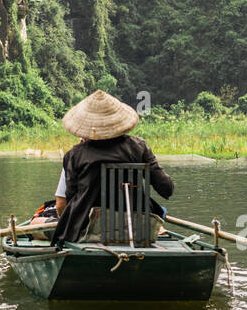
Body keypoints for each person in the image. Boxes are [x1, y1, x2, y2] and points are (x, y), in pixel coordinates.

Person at [50, 90, 174, 246]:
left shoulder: (74, 155)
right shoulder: (139, 148)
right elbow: (166, 189)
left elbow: (70, 197)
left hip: (88, 230)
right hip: (138, 231)